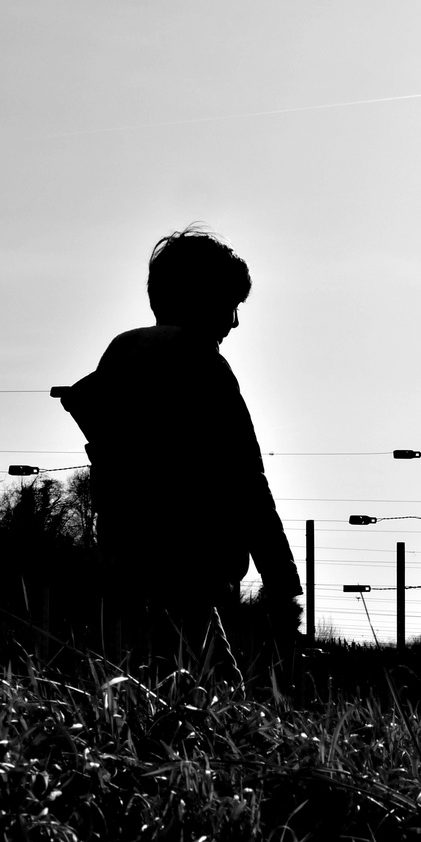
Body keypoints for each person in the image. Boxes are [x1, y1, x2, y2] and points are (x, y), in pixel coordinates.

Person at [59, 227, 302, 674]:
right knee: (211, 697)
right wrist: (282, 583)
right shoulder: (201, 361)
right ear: (203, 298)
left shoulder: (123, 351)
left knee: (140, 681)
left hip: (125, 562)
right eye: (230, 304)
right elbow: (245, 478)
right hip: (195, 570)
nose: (233, 321)